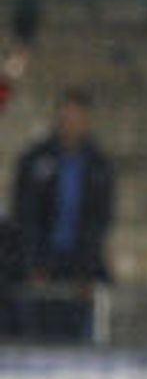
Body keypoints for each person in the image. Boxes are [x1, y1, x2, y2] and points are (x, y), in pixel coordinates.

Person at [11, 89, 115, 341]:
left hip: (80, 265)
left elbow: (100, 220)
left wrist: (88, 268)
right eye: (66, 118)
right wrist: (32, 263)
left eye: (77, 118)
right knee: (39, 332)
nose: (71, 124)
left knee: (76, 332)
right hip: (42, 261)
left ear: (86, 121)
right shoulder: (34, 160)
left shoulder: (99, 165)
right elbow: (25, 215)